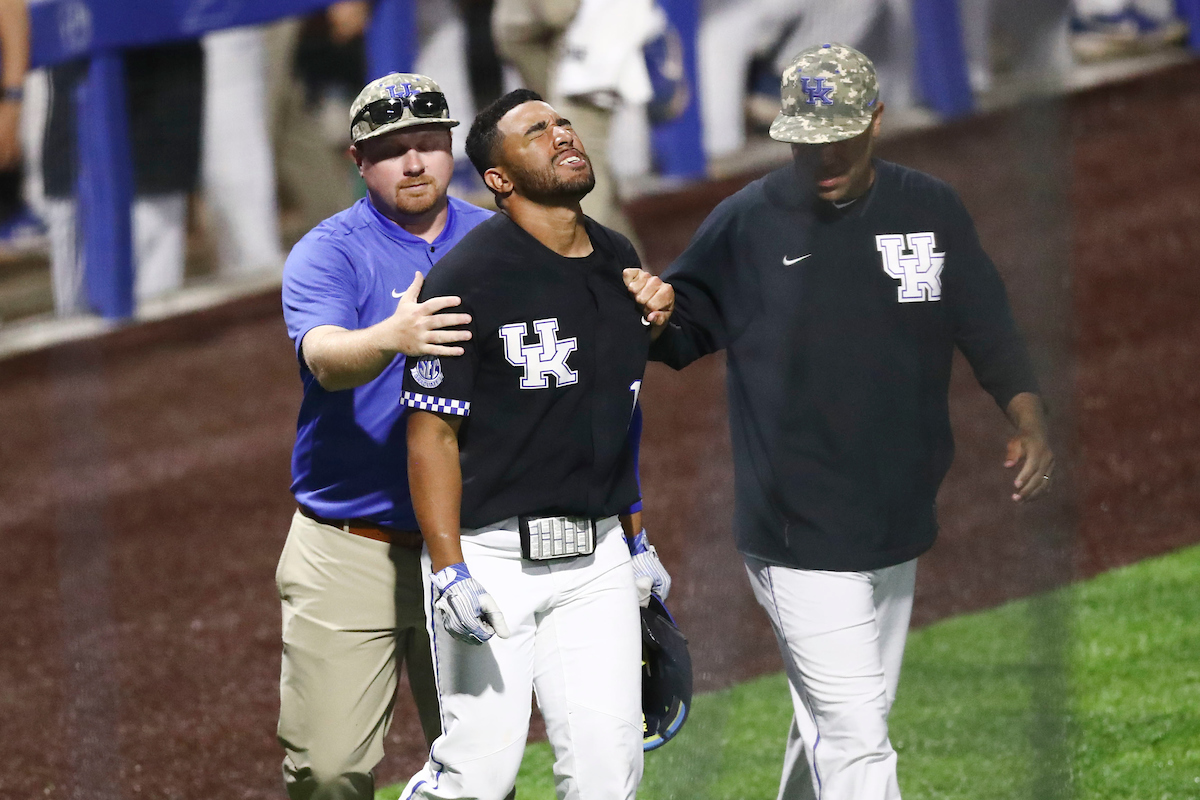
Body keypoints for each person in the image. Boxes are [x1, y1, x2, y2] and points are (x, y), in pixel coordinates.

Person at [640, 43, 1055, 800]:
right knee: (858, 741)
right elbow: (681, 329)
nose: (823, 156)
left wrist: (1027, 414)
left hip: (896, 517)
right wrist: (656, 315)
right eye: (807, 141)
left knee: (837, 724)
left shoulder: (929, 209)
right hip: (797, 530)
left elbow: (985, 319)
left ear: (875, 120)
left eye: (839, 136)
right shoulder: (750, 223)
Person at [397, 88, 673, 800]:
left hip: (597, 558)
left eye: (562, 123)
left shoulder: (617, 257)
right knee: (478, 777)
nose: (561, 135)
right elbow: (431, 436)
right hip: (490, 559)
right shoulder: (465, 280)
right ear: (499, 178)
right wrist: (449, 570)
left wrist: (635, 537)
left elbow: (617, 411)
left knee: (609, 773)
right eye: (536, 132)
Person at [277, 72, 492, 800]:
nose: (414, 162)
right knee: (327, 772)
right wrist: (391, 337)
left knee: (484, 772)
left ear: (451, 149)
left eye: (428, 143)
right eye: (393, 150)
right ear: (358, 161)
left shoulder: (498, 240)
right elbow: (324, 357)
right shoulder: (329, 252)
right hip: (349, 544)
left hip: (472, 540)